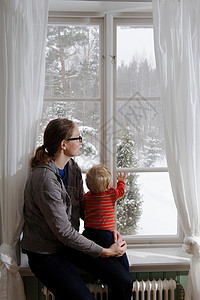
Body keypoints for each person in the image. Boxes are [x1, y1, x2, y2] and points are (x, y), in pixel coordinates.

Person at [21, 118, 133, 300]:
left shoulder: (72, 168)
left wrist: (109, 233)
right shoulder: (44, 179)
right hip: (46, 254)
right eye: (77, 138)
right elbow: (63, 231)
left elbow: (83, 209)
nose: (81, 142)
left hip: (68, 245)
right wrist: (106, 251)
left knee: (124, 282)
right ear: (64, 144)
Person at [82, 164, 130, 272]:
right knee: (120, 256)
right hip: (105, 235)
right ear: (108, 185)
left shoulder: (86, 197)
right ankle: (126, 273)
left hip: (89, 234)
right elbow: (121, 191)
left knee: (96, 259)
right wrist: (121, 181)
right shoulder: (111, 194)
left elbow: (83, 209)